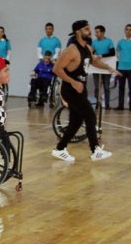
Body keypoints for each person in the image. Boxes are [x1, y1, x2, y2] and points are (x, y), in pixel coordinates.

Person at [51, 20, 120, 162]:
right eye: (87, 29)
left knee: (76, 122)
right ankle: (95, 150)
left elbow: (94, 61)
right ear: (78, 32)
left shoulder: (87, 48)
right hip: (70, 89)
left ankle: (60, 148)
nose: (90, 31)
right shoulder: (72, 49)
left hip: (80, 89)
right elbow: (56, 69)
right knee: (90, 116)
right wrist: (73, 82)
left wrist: (108, 68)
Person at [91, 25, 116, 109]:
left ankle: (107, 104)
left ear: (102, 32)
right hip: (96, 66)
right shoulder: (94, 42)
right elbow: (92, 53)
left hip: (106, 66)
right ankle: (97, 103)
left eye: (97, 32)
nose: (96, 34)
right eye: (95, 32)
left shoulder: (109, 41)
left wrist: (102, 55)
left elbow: (112, 53)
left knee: (106, 86)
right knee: (97, 86)